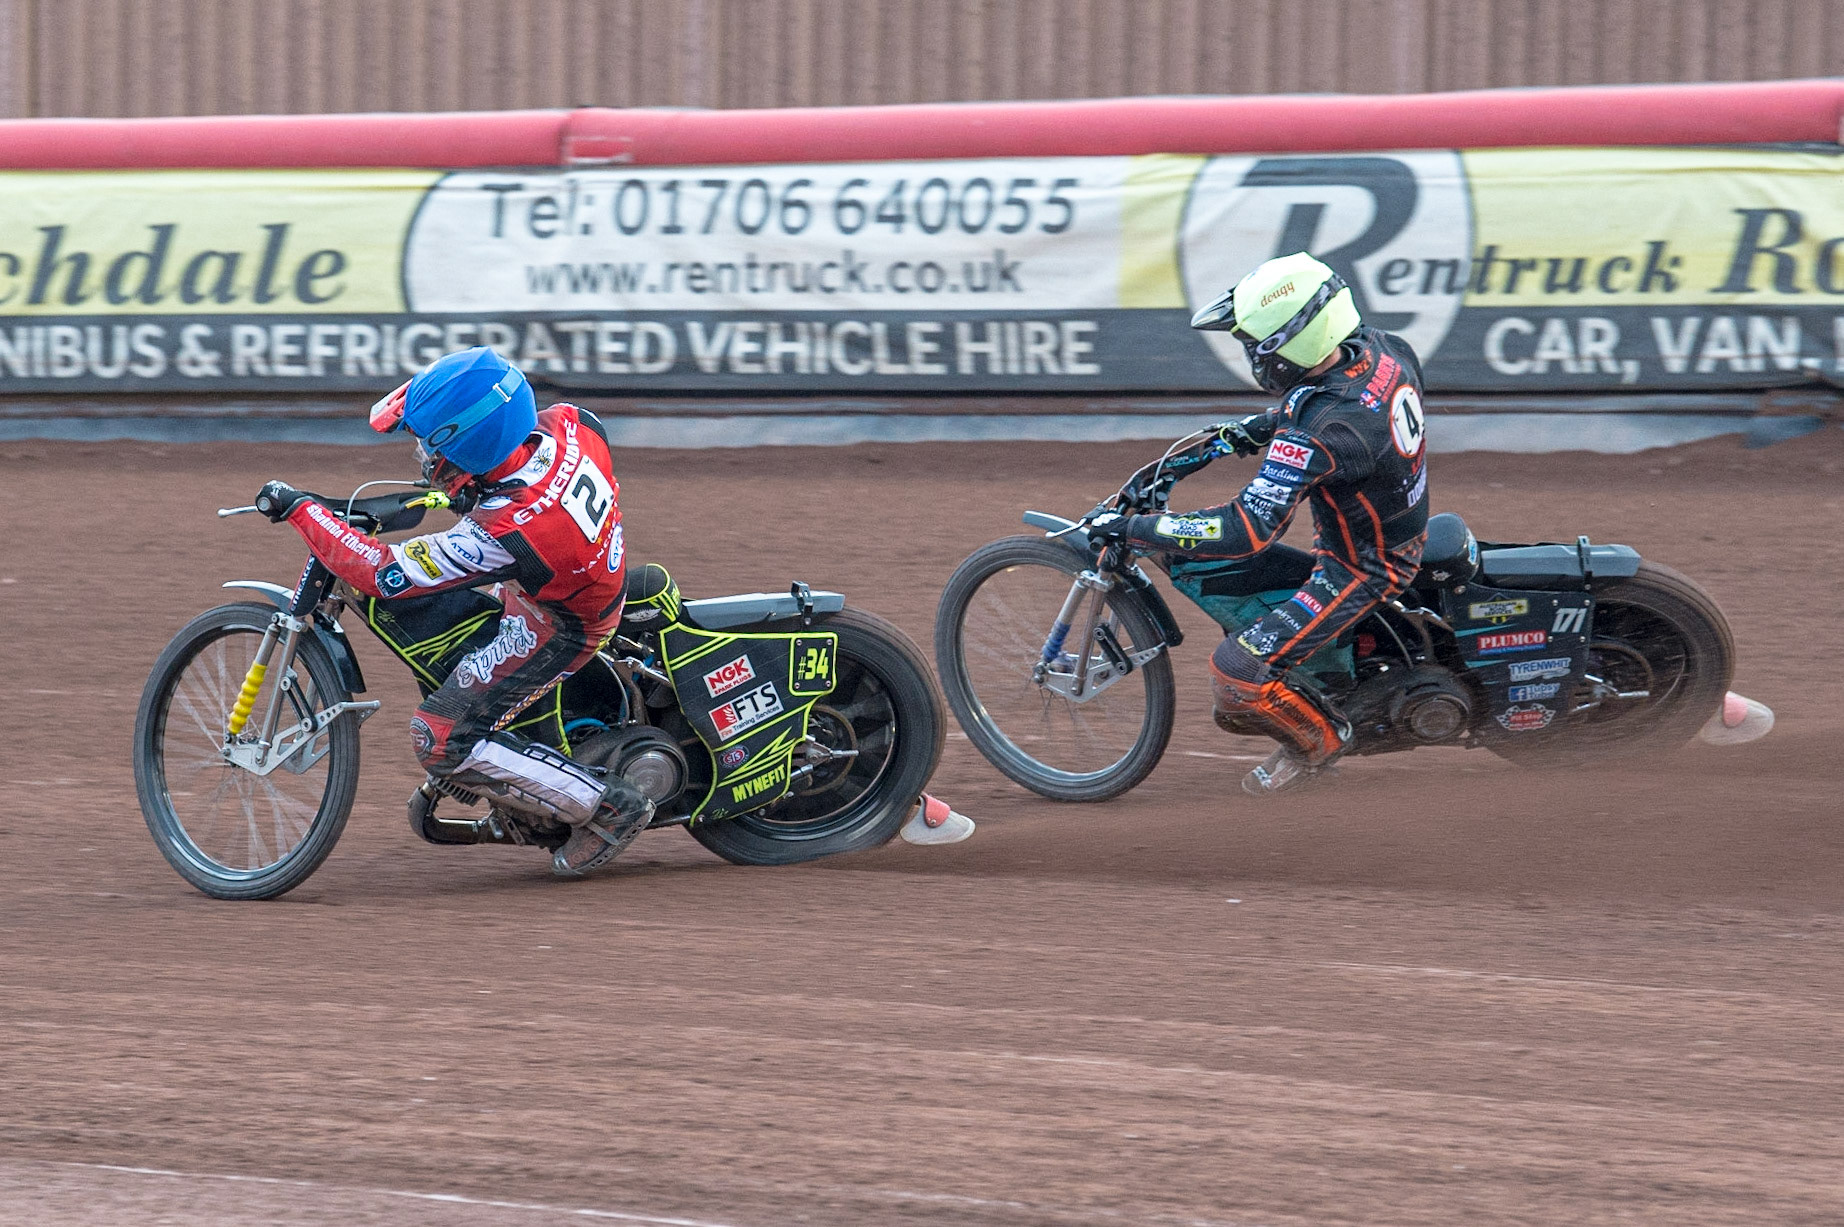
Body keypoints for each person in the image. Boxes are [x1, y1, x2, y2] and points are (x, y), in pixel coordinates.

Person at [250, 346, 651, 876]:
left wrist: (303, 511)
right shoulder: (569, 425)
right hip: (578, 573)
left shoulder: (508, 529)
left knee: (437, 737)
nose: (421, 457)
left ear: (468, 441)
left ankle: (608, 807)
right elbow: (553, 457)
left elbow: (382, 574)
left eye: (426, 445)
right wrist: (478, 489)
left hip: (562, 626)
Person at [1089, 252, 1430, 795]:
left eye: (1252, 343)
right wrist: (1243, 433)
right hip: (1391, 529)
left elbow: (1245, 529)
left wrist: (1135, 529)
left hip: (1362, 568)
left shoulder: (1324, 428)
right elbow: (1328, 407)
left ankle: (1322, 746)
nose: (1249, 352)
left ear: (1286, 347)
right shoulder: (1384, 349)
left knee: (1237, 675)